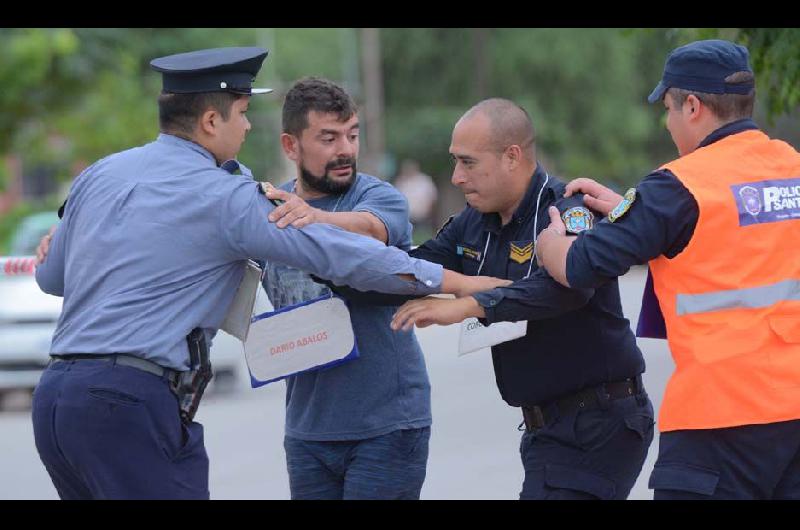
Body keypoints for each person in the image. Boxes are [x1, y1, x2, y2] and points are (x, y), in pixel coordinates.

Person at [30, 47, 505, 500]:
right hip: (130, 402)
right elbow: (341, 255)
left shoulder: (101, 174)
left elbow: (53, 279)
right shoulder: (227, 195)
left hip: (55, 400)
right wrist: (460, 284)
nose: (247, 124)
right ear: (211, 121)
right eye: (241, 113)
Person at [350, 98, 655, 499]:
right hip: (546, 428)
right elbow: (412, 270)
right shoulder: (474, 222)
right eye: (455, 162)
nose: (457, 177)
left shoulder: (568, 210)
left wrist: (469, 302)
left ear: (512, 156)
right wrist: (326, 255)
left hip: (599, 422)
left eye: (468, 162)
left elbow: (569, 288)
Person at [536, 39, 800, 500]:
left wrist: (548, 242)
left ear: (693, 106)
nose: (668, 121)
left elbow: (581, 266)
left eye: (670, 108)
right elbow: (728, 236)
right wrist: (631, 213)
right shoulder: (791, 168)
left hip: (719, 419)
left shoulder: (679, 185)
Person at [258, 77, 434, 500]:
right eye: (328, 137)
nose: (346, 150)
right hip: (307, 429)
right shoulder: (265, 208)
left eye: (352, 135)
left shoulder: (378, 196)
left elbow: (373, 231)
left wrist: (312, 219)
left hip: (386, 425)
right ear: (291, 146)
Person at [392, 159, 438, 236]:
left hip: (422, 216)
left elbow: (432, 197)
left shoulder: (424, 181)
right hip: (406, 216)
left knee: (423, 236)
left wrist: (429, 211)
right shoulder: (400, 181)